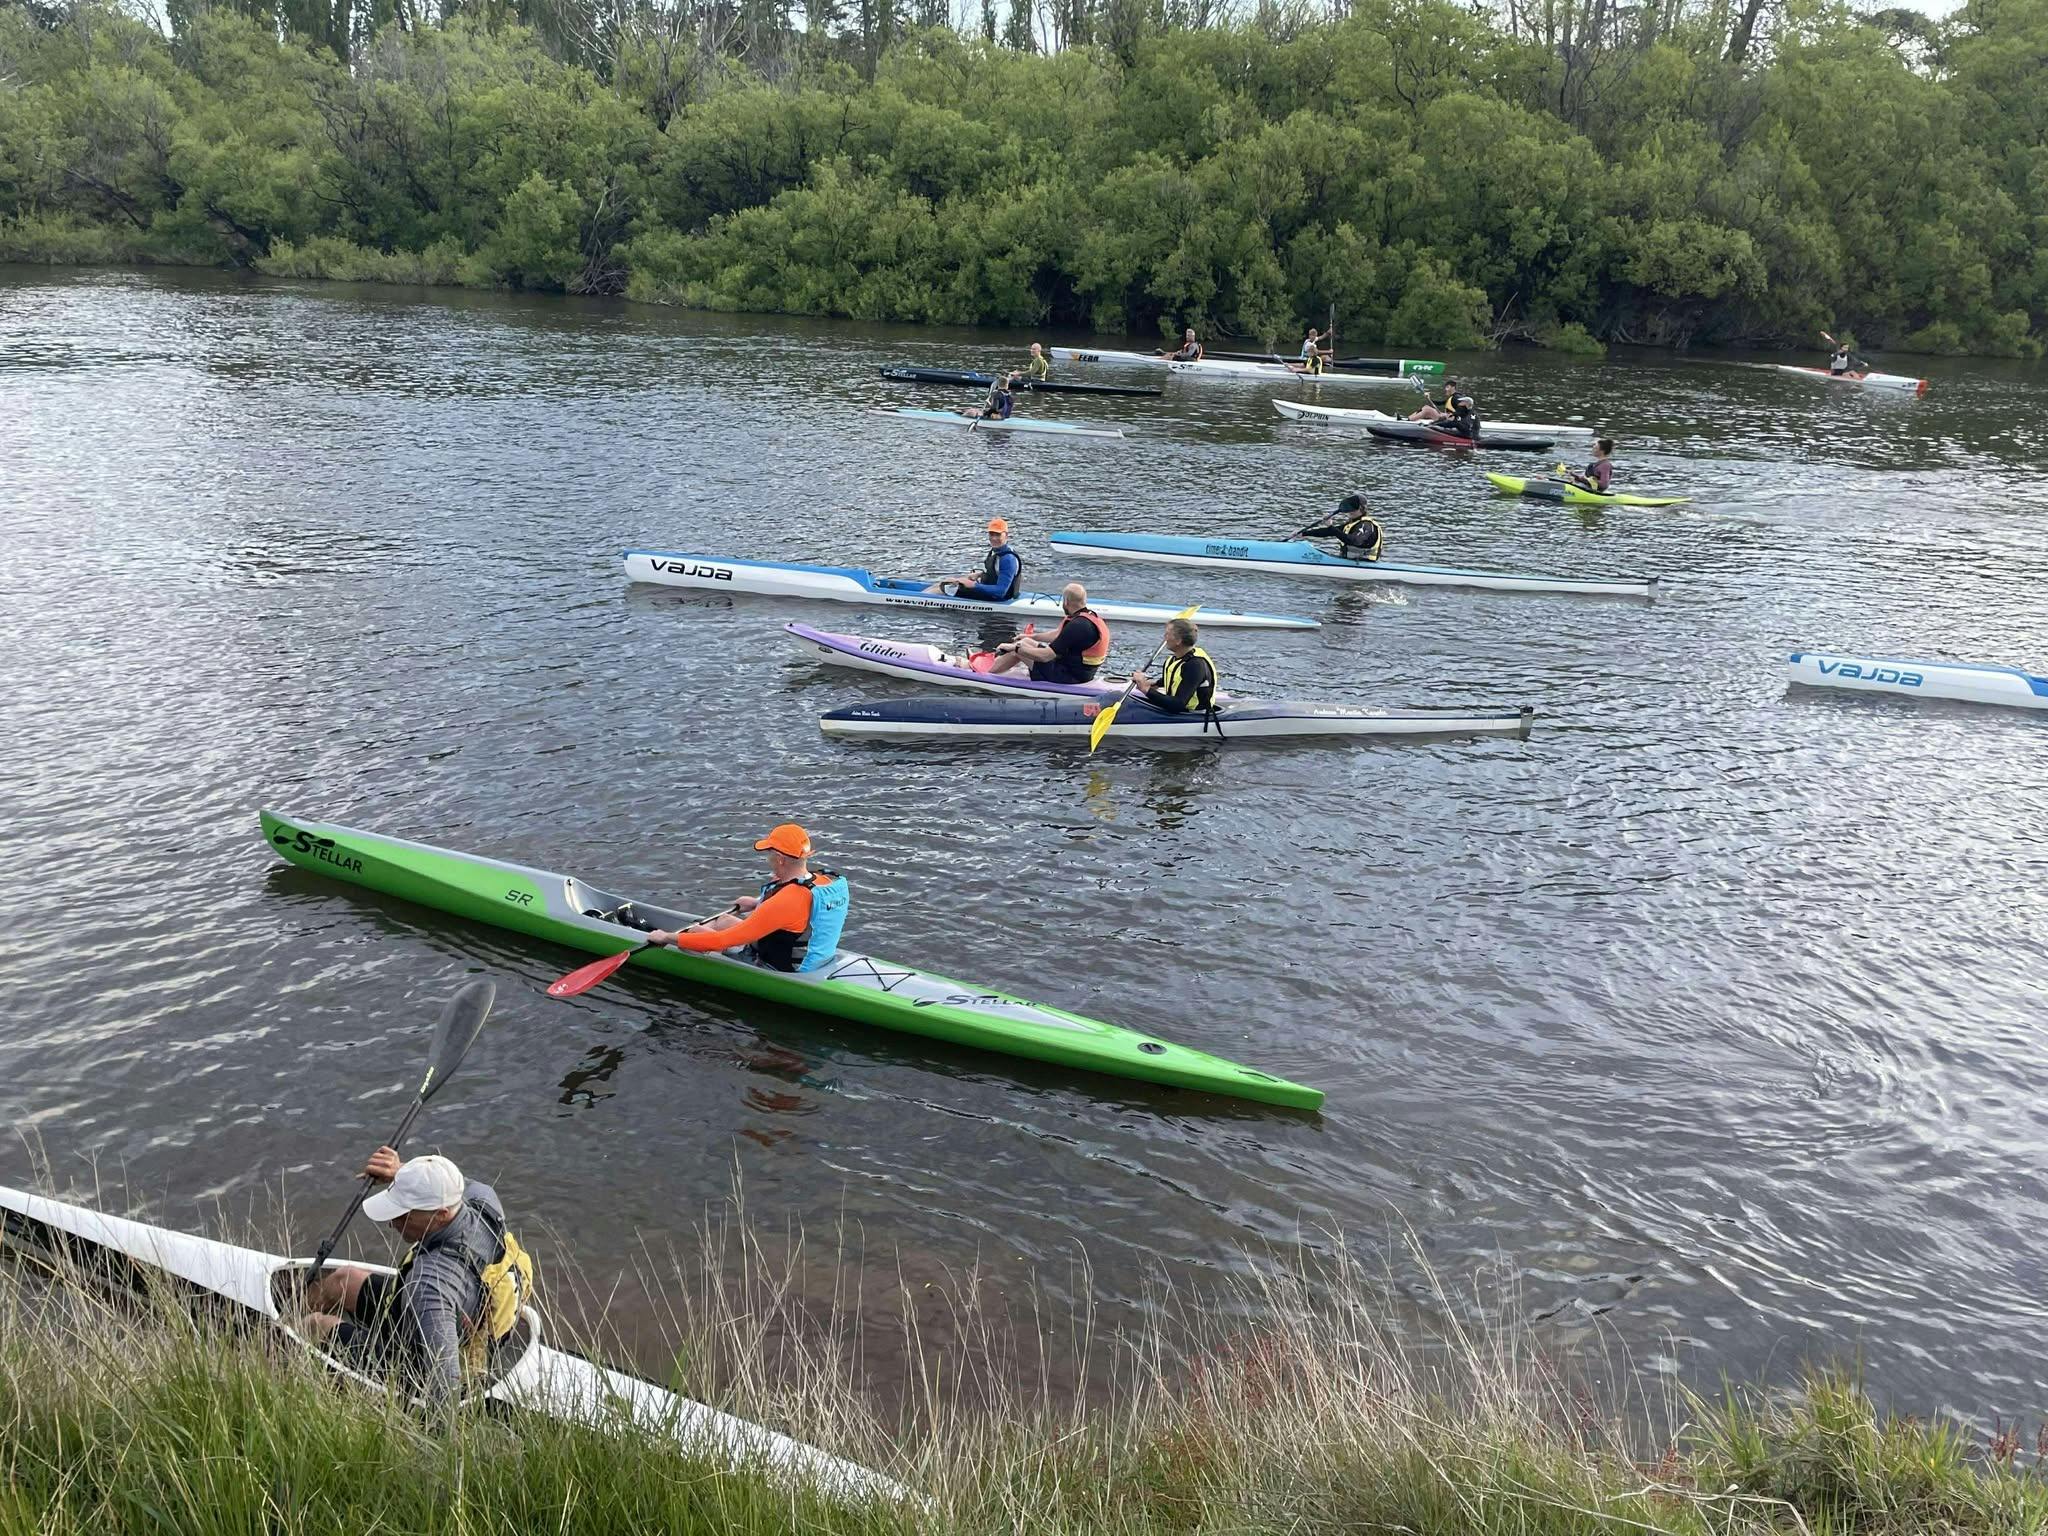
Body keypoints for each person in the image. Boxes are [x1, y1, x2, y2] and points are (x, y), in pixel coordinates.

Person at [299, 1148, 534, 1404]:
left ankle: (278, 1363)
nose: (392, 1222)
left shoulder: (430, 1284)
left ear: (440, 1214)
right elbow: (454, 1184)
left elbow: (444, 1387)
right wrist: (401, 1174)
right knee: (343, 1280)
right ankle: (288, 1315)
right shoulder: (483, 1200)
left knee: (315, 1325)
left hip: (420, 1369)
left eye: (404, 1213)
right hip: (441, 1322)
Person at [646, 823, 849, 975]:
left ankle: (706, 957)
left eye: (769, 855)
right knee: (723, 920)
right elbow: (801, 909)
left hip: (782, 967)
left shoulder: (785, 902)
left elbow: (721, 940)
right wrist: (756, 902)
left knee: (694, 933)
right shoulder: (823, 881)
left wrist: (666, 937)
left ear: (780, 859)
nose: (768, 860)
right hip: (817, 958)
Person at [985, 583, 1112, 683]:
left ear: (1066, 602)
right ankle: (997, 663)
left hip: (1069, 677)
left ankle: (985, 673)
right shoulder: (1088, 618)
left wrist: (1015, 648)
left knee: (1018, 650)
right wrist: (1029, 636)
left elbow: (1045, 656)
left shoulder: (1077, 626)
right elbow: (1057, 635)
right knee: (1025, 642)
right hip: (1078, 672)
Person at [1127, 616, 1219, 723]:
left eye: (1167, 634)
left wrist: (1145, 689)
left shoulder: (1195, 665)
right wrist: (1154, 683)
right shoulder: (1175, 658)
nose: (1164, 637)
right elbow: (1178, 678)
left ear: (1178, 640)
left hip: (1193, 715)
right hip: (1176, 709)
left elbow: (1177, 705)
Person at [927, 518, 1023, 600]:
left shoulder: (1008, 559)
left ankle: (921, 601)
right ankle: (922, 596)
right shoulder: (997, 551)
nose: (994, 538)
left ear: (1006, 535)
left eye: (998, 535)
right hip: (991, 592)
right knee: (946, 582)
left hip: (998, 598)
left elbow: (1001, 591)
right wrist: (980, 574)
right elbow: (997, 573)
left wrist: (973, 585)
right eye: (991, 534)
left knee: (943, 588)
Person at [1295, 494, 1383, 561]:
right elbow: (1329, 532)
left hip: (1363, 563)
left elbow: (1354, 541)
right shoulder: (1352, 523)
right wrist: (1304, 533)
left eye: (1353, 509)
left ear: (1361, 509)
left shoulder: (1366, 525)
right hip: (1349, 561)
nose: (1349, 512)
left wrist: (1330, 526)